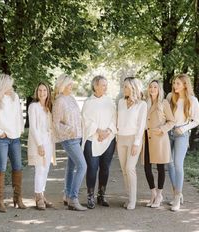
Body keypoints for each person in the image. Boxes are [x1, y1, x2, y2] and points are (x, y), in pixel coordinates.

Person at [0, 74, 26, 212]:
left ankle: (17, 198)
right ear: (3, 85)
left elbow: (19, 115)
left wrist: (19, 130)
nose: (12, 87)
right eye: (9, 84)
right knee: (1, 168)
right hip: (0, 139)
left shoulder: (15, 97)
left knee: (18, 167)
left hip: (15, 139)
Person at [52, 74, 87, 211]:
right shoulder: (59, 101)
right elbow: (55, 124)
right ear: (62, 85)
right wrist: (70, 130)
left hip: (77, 138)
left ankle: (67, 195)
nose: (71, 86)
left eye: (72, 84)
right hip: (69, 139)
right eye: (68, 84)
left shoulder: (71, 98)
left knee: (71, 167)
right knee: (82, 166)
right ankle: (73, 198)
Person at [167, 74, 199, 211]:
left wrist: (184, 128)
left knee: (178, 164)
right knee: (168, 163)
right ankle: (177, 192)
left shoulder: (192, 100)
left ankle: (176, 198)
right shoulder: (170, 97)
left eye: (178, 84)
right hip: (169, 133)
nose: (175, 86)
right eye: (174, 83)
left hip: (182, 135)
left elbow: (197, 120)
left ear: (185, 85)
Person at [82, 75, 117, 209]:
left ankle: (101, 195)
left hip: (108, 139)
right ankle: (90, 196)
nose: (105, 87)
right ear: (95, 86)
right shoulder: (88, 103)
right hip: (93, 138)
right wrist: (98, 131)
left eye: (106, 85)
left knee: (105, 168)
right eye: (103, 85)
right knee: (92, 168)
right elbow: (85, 120)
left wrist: (107, 131)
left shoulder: (110, 101)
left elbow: (115, 118)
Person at [143, 80, 175, 208]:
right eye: (150, 87)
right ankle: (153, 193)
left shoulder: (164, 103)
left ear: (159, 89)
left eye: (155, 87)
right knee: (146, 167)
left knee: (160, 168)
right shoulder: (145, 103)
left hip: (159, 138)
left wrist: (162, 129)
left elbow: (171, 121)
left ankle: (160, 194)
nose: (152, 89)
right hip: (146, 137)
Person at [117, 77, 147, 210]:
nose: (124, 89)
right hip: (120, 139)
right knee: (124, 170)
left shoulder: (142, 105)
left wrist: (136, 143)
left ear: (133, 88)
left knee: (130, 168)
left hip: (134, 139)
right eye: (123, 86)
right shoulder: (121, 102)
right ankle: (129, 196)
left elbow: (141, 126)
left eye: (126, 87)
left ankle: (133, 200)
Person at [27, 82, 57, 210]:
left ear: (48, 92)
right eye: (40, 90)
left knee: (46, 169)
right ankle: (38, 197)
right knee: (40, 169)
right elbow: (33, 127)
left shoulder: (49, 108)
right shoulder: (33, 107)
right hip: (38, 141)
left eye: (45, 90)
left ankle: (42, 195)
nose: (42, 93)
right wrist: (39, 144)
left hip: (49, 141)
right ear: (36, 92)